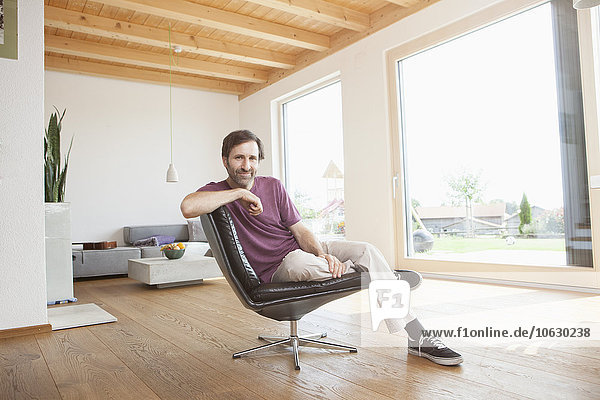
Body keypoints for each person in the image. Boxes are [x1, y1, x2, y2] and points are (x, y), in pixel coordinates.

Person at [181, 130, 463, 366]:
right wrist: (242, 193)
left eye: (252, 158)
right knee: (303, 265)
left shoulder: (274, 186)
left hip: (305, 251)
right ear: (225, 160)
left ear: (259, 161)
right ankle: (381, 275)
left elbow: (300, 230)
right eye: (239, 157)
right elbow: (188, 206)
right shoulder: (217, 191)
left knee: (365, 249)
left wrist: (323, 254)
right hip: (279, 267)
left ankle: (416, 336)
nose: (246, 165)